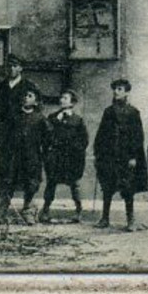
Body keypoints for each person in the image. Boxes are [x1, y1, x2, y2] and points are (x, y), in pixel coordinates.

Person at [93, 78, 148, 230]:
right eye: (115, 89)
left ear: (127, 93)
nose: (116, 92)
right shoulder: (108, 112)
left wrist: (133, 157)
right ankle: (105, 218)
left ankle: (130, 220)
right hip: (109, 155)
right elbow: (101, 134)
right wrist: (98, 154)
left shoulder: (133, 112)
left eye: (120, 89)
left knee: (127, 188)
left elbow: (138, 136)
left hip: (126, 156)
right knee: (107, 187)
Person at [0, 55, 36, 207]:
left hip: (22, 137)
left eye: (15, 66)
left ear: (21, 68)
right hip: (4, 137)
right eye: (9, 65)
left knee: (24, 169)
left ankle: (27, 207)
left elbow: (35, 111)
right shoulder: (1, 87)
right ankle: (2, 204)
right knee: (3, 168)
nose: (11, 69)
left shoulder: (28, 86)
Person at [38, 89, 89, 222]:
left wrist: (76, 151)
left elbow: (84, 140)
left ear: (72, 102)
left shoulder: (77, 120)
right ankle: (45, 210)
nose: (61, 100)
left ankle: (78, 211)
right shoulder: (52, 117)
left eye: (65, 98)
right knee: (51, 183)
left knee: (74, 185)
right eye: (61, 98)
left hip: (71, 158)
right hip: (55, 157)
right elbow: (46, 136)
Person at [0, 86, 45, 216]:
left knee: (31, 182)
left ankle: (28, 210)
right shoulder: (14, 116)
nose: (26, 98)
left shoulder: (40, 119)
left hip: (32, 155)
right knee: (10, 180)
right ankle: (2, 209)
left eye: (30, 96)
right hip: (15, 155)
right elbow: (5, 135)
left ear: (36, 102)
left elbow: (47, 138)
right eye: (24, 95)